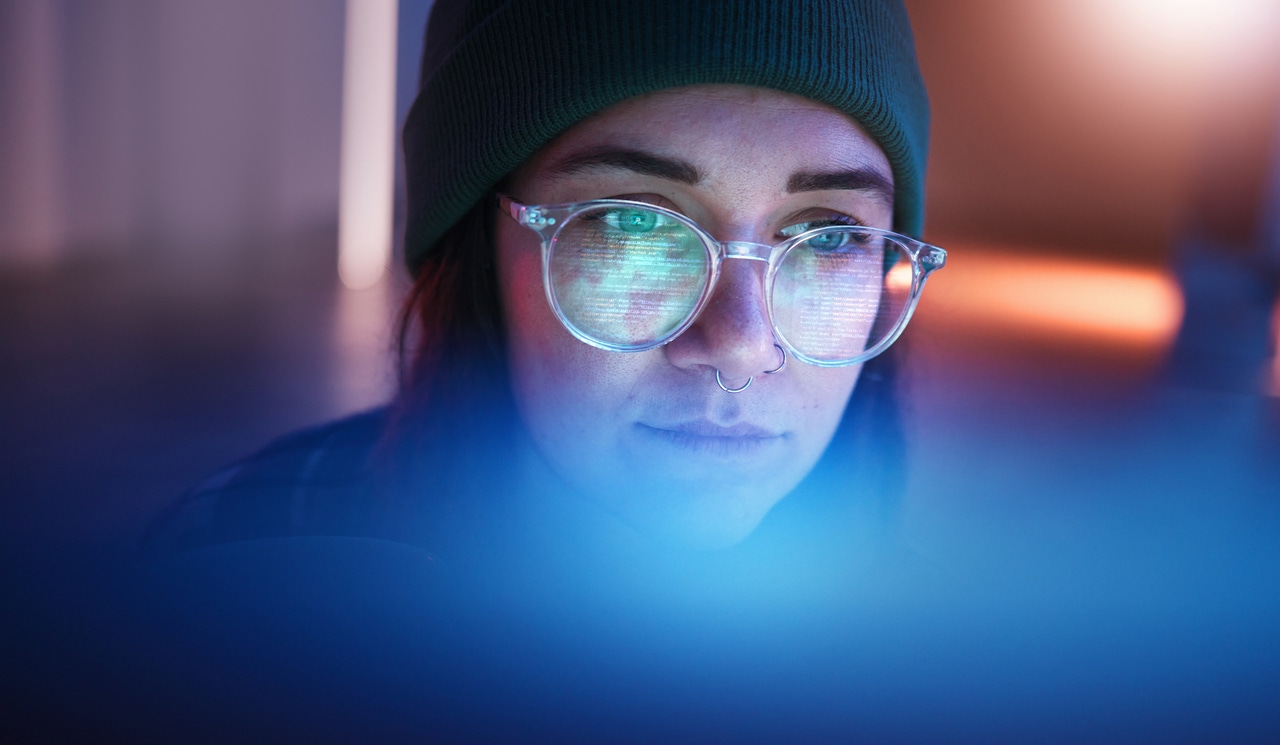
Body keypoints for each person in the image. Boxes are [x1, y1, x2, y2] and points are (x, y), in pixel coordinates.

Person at [147, 0, 945, 562]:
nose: (739, 344)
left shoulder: (941, 677)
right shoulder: (238, 576)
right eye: (635, 222)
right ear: (474, 246)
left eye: (828, 234)